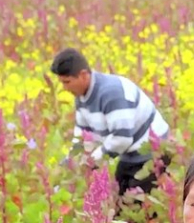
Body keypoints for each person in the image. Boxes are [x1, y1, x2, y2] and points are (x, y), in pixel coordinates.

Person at [50, 48, 170, 197]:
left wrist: (90, 162)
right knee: (121, 201)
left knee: (136, 205)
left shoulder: (111, 94)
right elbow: (82, 135)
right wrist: (68, 164)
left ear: (83, 75)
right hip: (129, 153)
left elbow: (122, 138)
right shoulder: (82, 97)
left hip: (152, 151)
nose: (65, 88)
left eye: (67, 82)